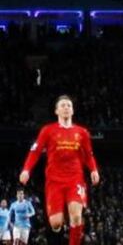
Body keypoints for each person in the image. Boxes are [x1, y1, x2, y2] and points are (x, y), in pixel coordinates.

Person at [20, 95, 99, 245]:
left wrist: (94, 169)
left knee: (76, 216)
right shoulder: (48, 130)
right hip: (54, 181)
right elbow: (35, 151)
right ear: (56, 111)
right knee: (56, 224)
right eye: (62, 105)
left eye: (69, 105)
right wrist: (26, 170)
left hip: (75, 178)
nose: (66, 108)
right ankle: (64, 218)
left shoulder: (82, 132)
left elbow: (88, 154)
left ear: (73, 110)